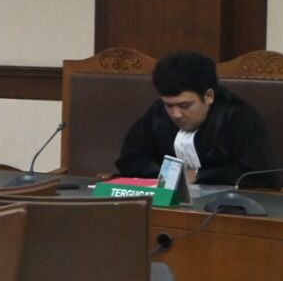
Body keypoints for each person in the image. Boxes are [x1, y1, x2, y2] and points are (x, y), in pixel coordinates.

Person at [116, 51, 271, 185]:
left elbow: (256, 174)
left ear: (208, 96)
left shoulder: (237, 118)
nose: (176, 114)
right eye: (169, 105)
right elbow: (130, 160)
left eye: (184, 105)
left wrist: (199, 176)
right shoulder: (158, 114)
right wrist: (168, 175)